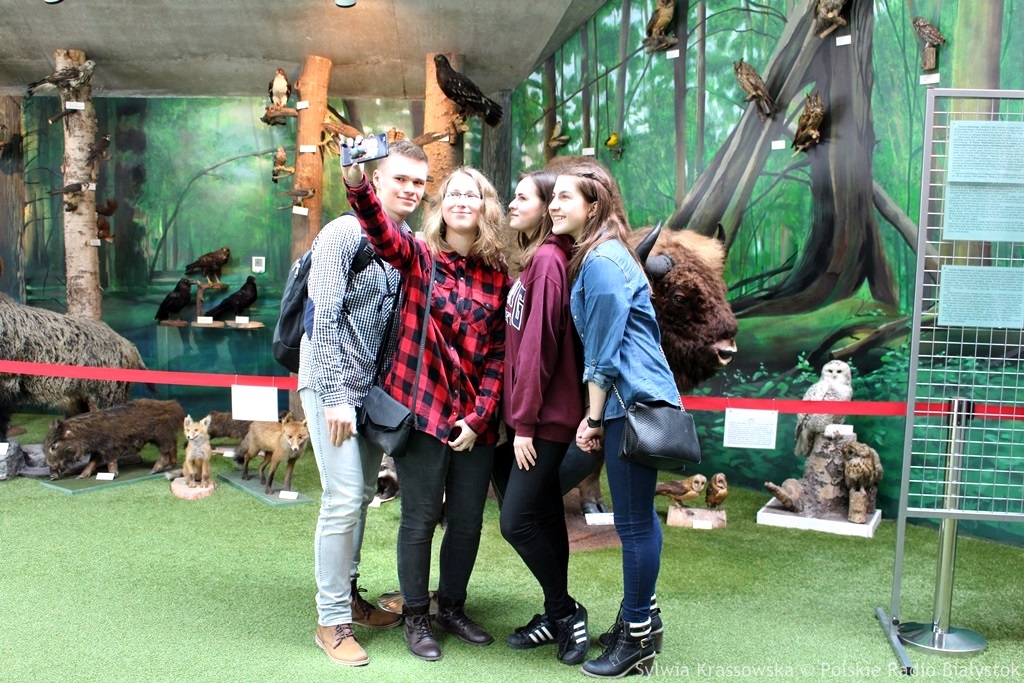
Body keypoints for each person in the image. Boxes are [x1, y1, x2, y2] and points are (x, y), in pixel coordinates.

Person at [343, 153, 510, 662]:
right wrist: (357, 184)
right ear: (441, 206)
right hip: (421, 410)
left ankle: (451, 608)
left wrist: (480, 418)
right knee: (417, 519)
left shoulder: (500, 276)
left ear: (485, 208)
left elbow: (500, 355)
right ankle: (416, 617)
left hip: (474, 420)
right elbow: (380, 232)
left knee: (467, 521)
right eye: (453, 193)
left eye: (471, 194)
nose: (461, 201)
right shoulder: (418, 256)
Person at [297, 140, 430, 667]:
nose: (411, 190)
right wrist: (334, 396)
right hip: (331, 385)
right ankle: (331, 620)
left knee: (361, 496)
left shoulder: (409, 244)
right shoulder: (343, 233)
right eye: (401, 179)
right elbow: (321, 315)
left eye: (419, 182)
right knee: (344, 495)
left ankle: (349, 595)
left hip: (373, 394)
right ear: (375, 182)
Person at [550, 160, 677, 679]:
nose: (554, 205)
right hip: (640, 400)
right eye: (553, 196)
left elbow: (603, 355)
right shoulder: (609, 254)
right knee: (640, 517)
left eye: (565, 196)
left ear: (593, 206)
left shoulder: (602, 262)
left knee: (633, 523)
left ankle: (637, 638)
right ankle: (645, 618)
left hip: (630, 404)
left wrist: (593, 418)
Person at [498, 170, 589, 666]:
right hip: (531, 416)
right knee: (547, 515)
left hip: (543, 420)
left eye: (523, 197)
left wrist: (525, 424)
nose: (513, 204)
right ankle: (558, 615)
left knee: (516, 522)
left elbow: (539, 350)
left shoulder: (550, 262)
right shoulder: (538, 260)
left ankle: (565, 612)